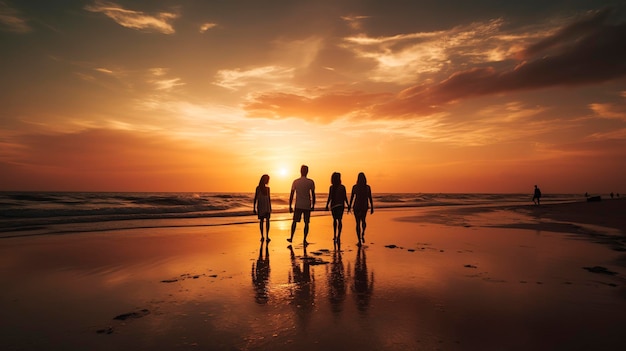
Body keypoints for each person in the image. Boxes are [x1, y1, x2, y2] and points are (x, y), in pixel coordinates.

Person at [288, 165, 316, 245]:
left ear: (300, 171)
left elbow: (291, 194)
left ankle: (291, 237)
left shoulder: (296, 181)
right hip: (307, 205)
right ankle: (304, 239)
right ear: (307, 172)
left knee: (294, 222)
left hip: (298, 205)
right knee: (306, 223)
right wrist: (313, 205)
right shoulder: (310, 182)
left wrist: (290, 206)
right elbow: (313, 195)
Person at [348, 172, 373, 246]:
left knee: (357, 223)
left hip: (357, 206)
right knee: (363, 221)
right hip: (364, 206)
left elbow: (352, 197)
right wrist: (372, 207)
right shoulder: (367, 187)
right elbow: (370, 198)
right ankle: (363, 234)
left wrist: (349, 206)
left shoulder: (355, 187)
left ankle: (359, 240)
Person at [325, 172, 349, 242]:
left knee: (335, 220)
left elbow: (330, 197)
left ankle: (335, 235)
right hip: (340, 205)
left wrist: (327, 205)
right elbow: (345, 197)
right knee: (340, 220)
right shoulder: (342, 187)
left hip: (333, 206)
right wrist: (348, 205)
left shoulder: (331, 187)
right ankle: (338, 235)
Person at [253, 174, 272, 242]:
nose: (268, 181)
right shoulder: (258, 188)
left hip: (266, 205)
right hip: (261, 205)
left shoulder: (268, 188)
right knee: (262, 221)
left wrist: (270, 207)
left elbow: (269, 198)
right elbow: (255, 198)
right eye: (267, 179)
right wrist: (254, 207)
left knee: (267, 221)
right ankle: (262, 236)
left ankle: (267, 236)